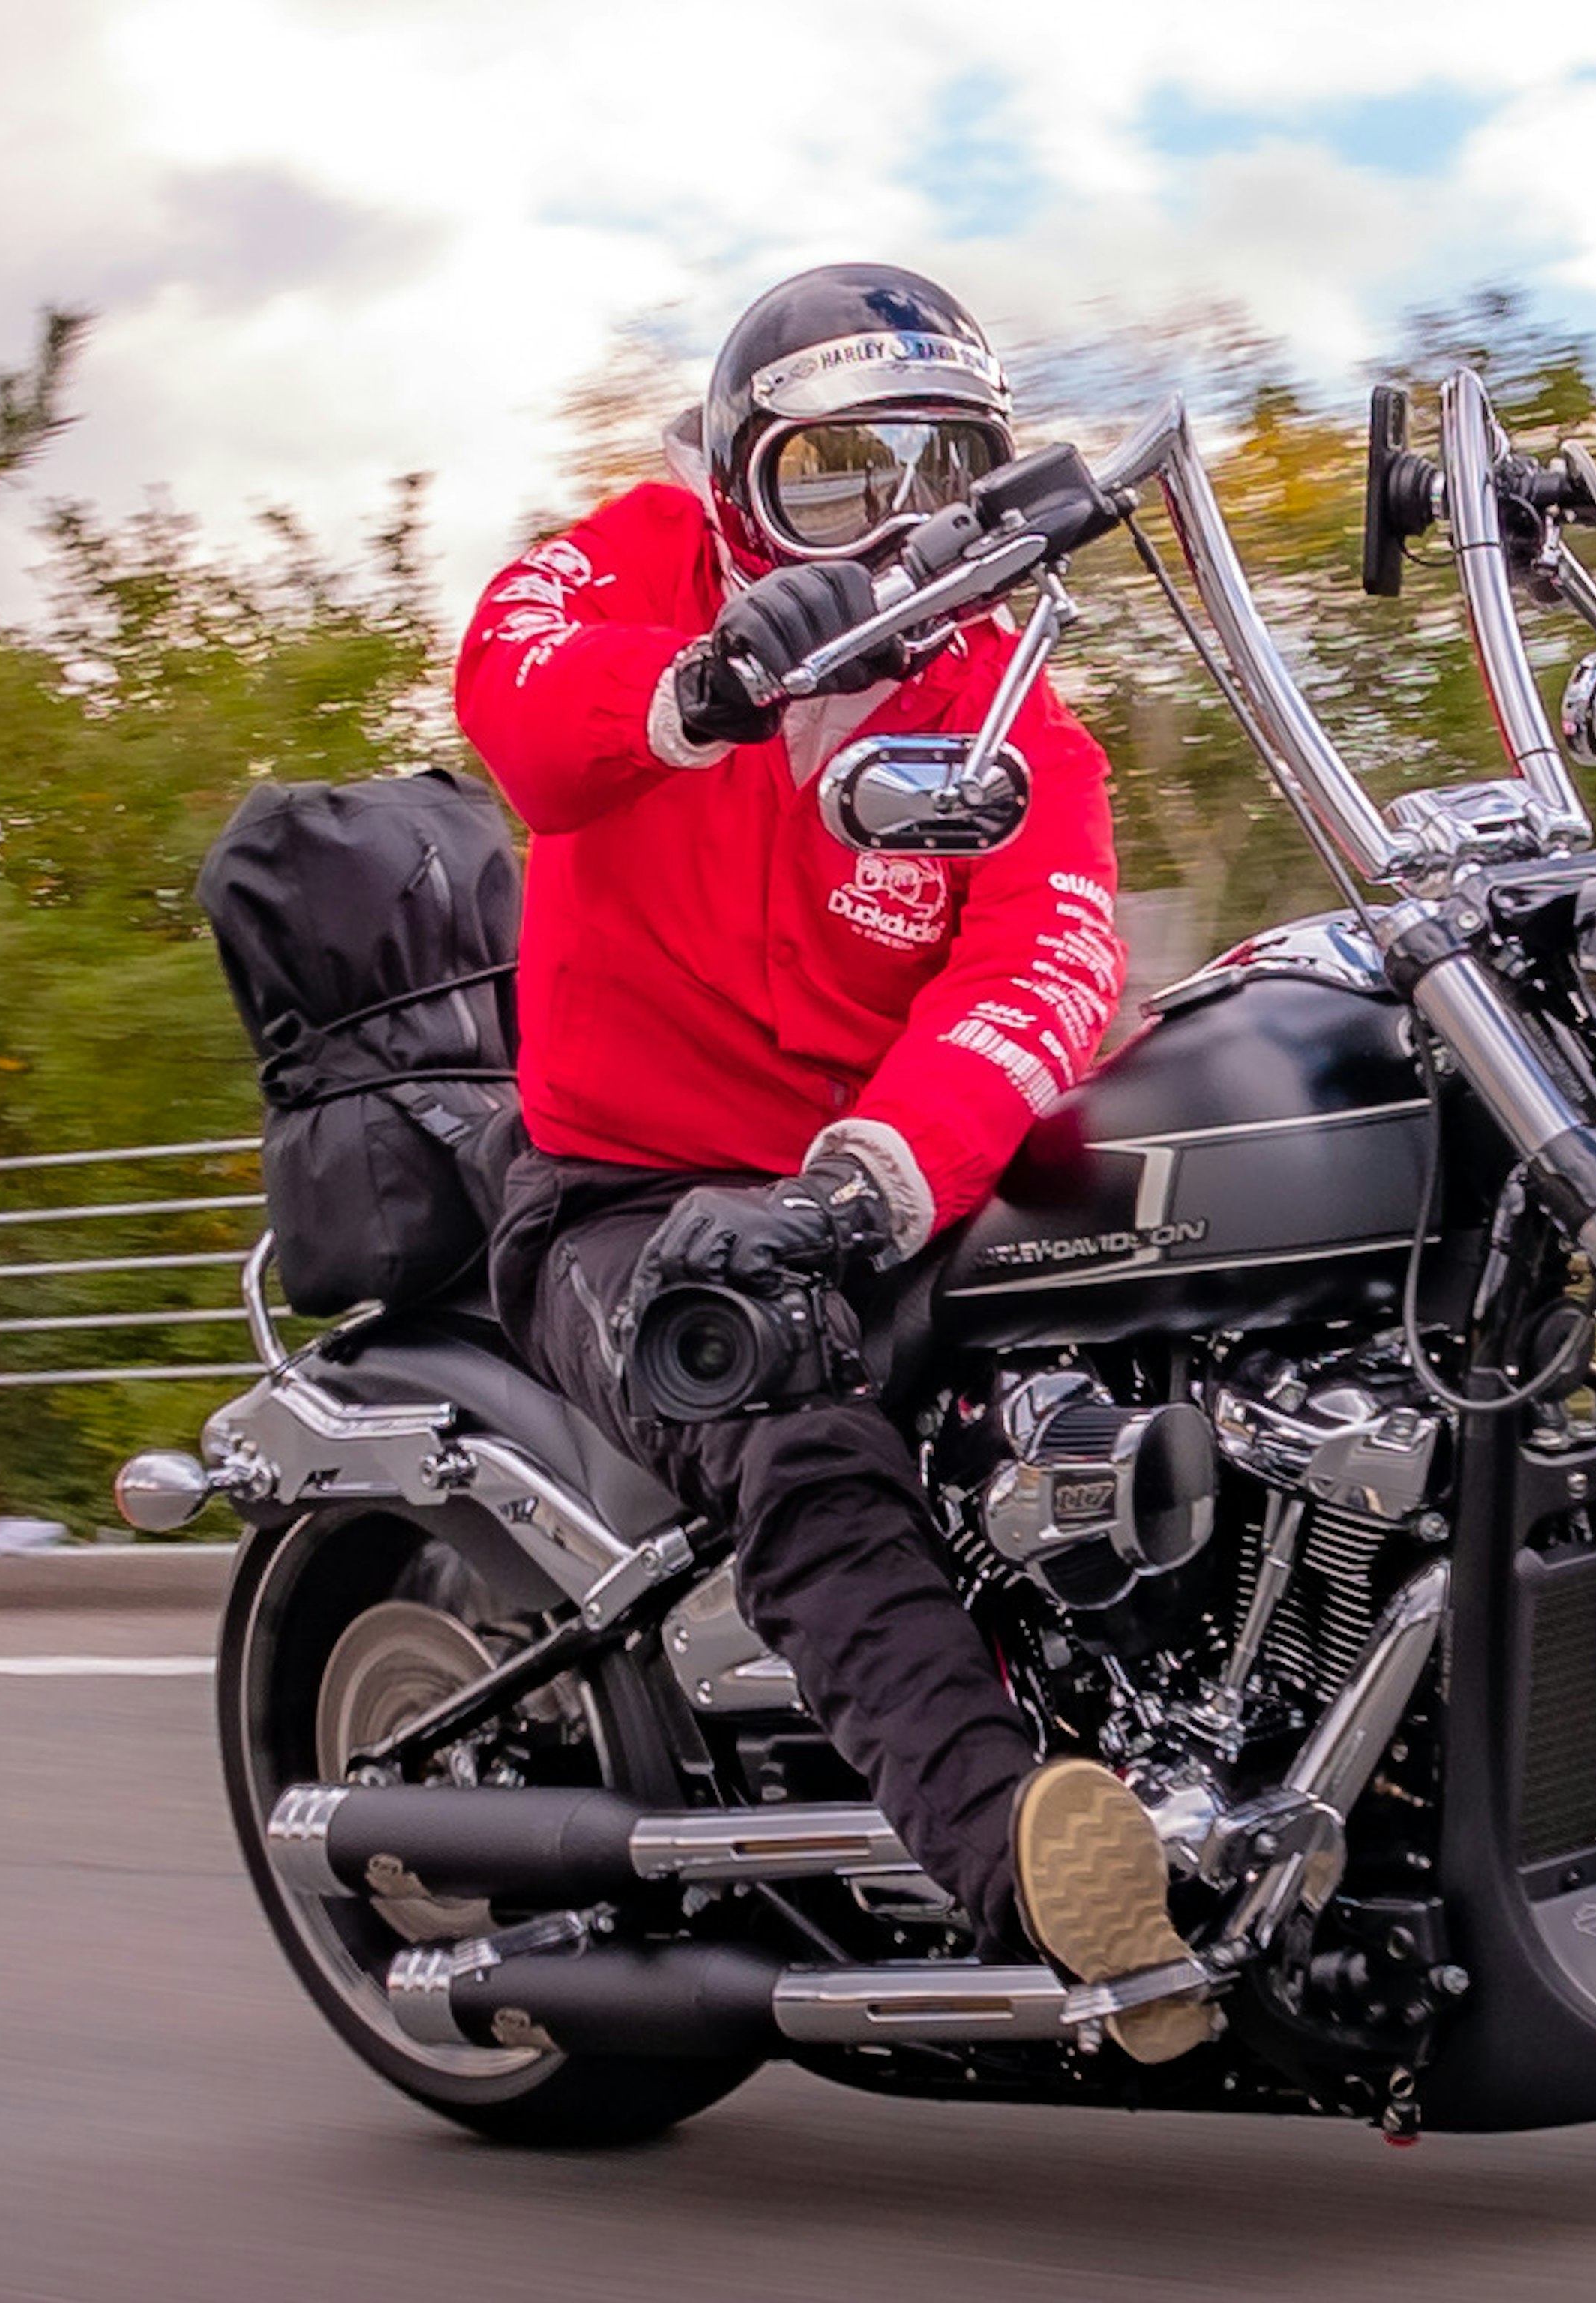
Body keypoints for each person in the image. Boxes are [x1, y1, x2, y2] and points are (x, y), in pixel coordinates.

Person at [454, 263, 1207, 2061]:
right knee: (797, 1422)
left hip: (865, 1190)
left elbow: (1046, 969)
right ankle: (1026, 1864)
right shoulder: (638, 563)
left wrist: (870, 1181)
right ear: (735, 479)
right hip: (623, 1196)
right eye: (841, 476)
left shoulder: (1019, 725)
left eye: (946, 474)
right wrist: (706, 683)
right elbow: (518, 692)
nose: (900, 528)